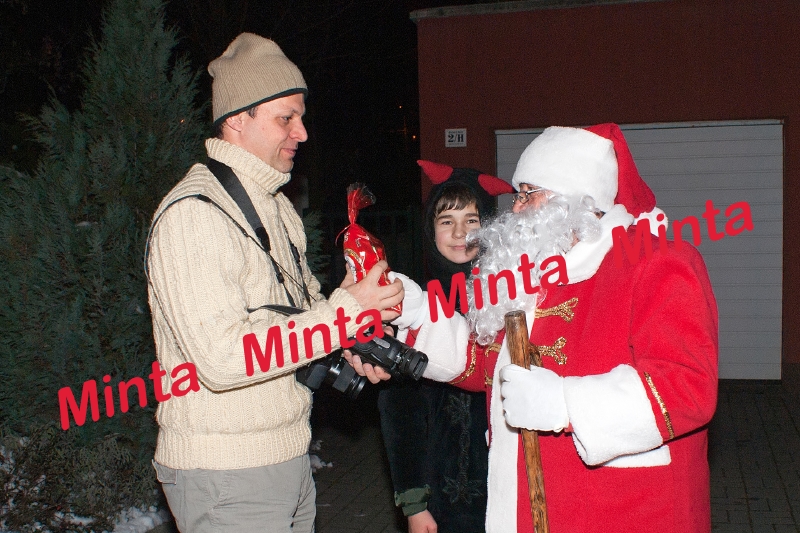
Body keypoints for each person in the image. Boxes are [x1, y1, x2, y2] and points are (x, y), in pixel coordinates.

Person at [386, 124, 719, 532]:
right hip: (530, 508)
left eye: (529, 193)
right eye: (518, 195)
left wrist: (565, 403)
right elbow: (486, 363)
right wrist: (417, 311)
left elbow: (687, 386)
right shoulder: (534, 272)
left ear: (578, 199)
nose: (516, 209)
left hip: (626, 512)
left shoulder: (659, 260)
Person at [145, 33, 402, 532]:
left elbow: (304, 315)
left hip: (285, 457)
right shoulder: (194, 215)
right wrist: (343, 314)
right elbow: (221, 359)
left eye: (300, 117)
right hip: (226, 473)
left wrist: (356, 337)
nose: (302, 133)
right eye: (286, 118)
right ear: (237, 119)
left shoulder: (276, 206)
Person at [378, 160, 513, 533]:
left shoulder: (513, 295)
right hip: (442, 496)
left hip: (508, 487)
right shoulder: (413, 305)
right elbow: (399, 411)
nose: (459, 233)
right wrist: (414, 503)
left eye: (472, 220)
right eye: (446, 220)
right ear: (430, 229)